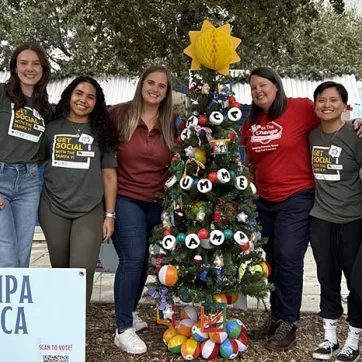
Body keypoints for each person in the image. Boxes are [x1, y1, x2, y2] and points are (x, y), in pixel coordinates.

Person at [109, 65, 175, 354]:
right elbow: (103, 158)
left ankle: (130, 313)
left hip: (157, 202)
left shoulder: (173, 121)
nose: (156, 89)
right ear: (141, 84)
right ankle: (122, 328)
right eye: (151, 82)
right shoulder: (119, 114)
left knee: (144, 261)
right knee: (132, 258)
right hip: (125, 197)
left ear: (167, 92)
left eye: (162, 86)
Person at [38, 76, 118, 307]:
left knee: (83, 268)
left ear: (97, 103)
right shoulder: (51, 128)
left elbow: (109, 175)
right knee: (60, 268)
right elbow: (33, 161)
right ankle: (60, 318)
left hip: (89, 208)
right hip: (53, 208)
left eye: (90, 97)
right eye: (78, 93)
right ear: (69, 96)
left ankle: (74, 325)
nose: (83, 100)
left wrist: (110, 216)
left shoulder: (102, 132)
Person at [309, 82, 362, 362]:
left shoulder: (355, 135)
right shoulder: (311, 136)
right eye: (321, 100)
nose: (326, 105)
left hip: (354, 221)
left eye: (333, 100)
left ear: (345, 105)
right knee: (327, 280)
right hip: (321, 220)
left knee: (357, 284)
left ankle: (353, 340)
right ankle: (330, 338)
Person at [0, 42, 52, 268]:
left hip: (29, 182)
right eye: (23, 63)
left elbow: (42, 151)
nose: (29, 69)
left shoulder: (45, 107)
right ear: (15, 68)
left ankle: (12, 304)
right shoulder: (1, 94)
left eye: (35, 64)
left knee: (23, 253)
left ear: (43, 69)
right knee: (6, 252)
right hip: (1, 175)